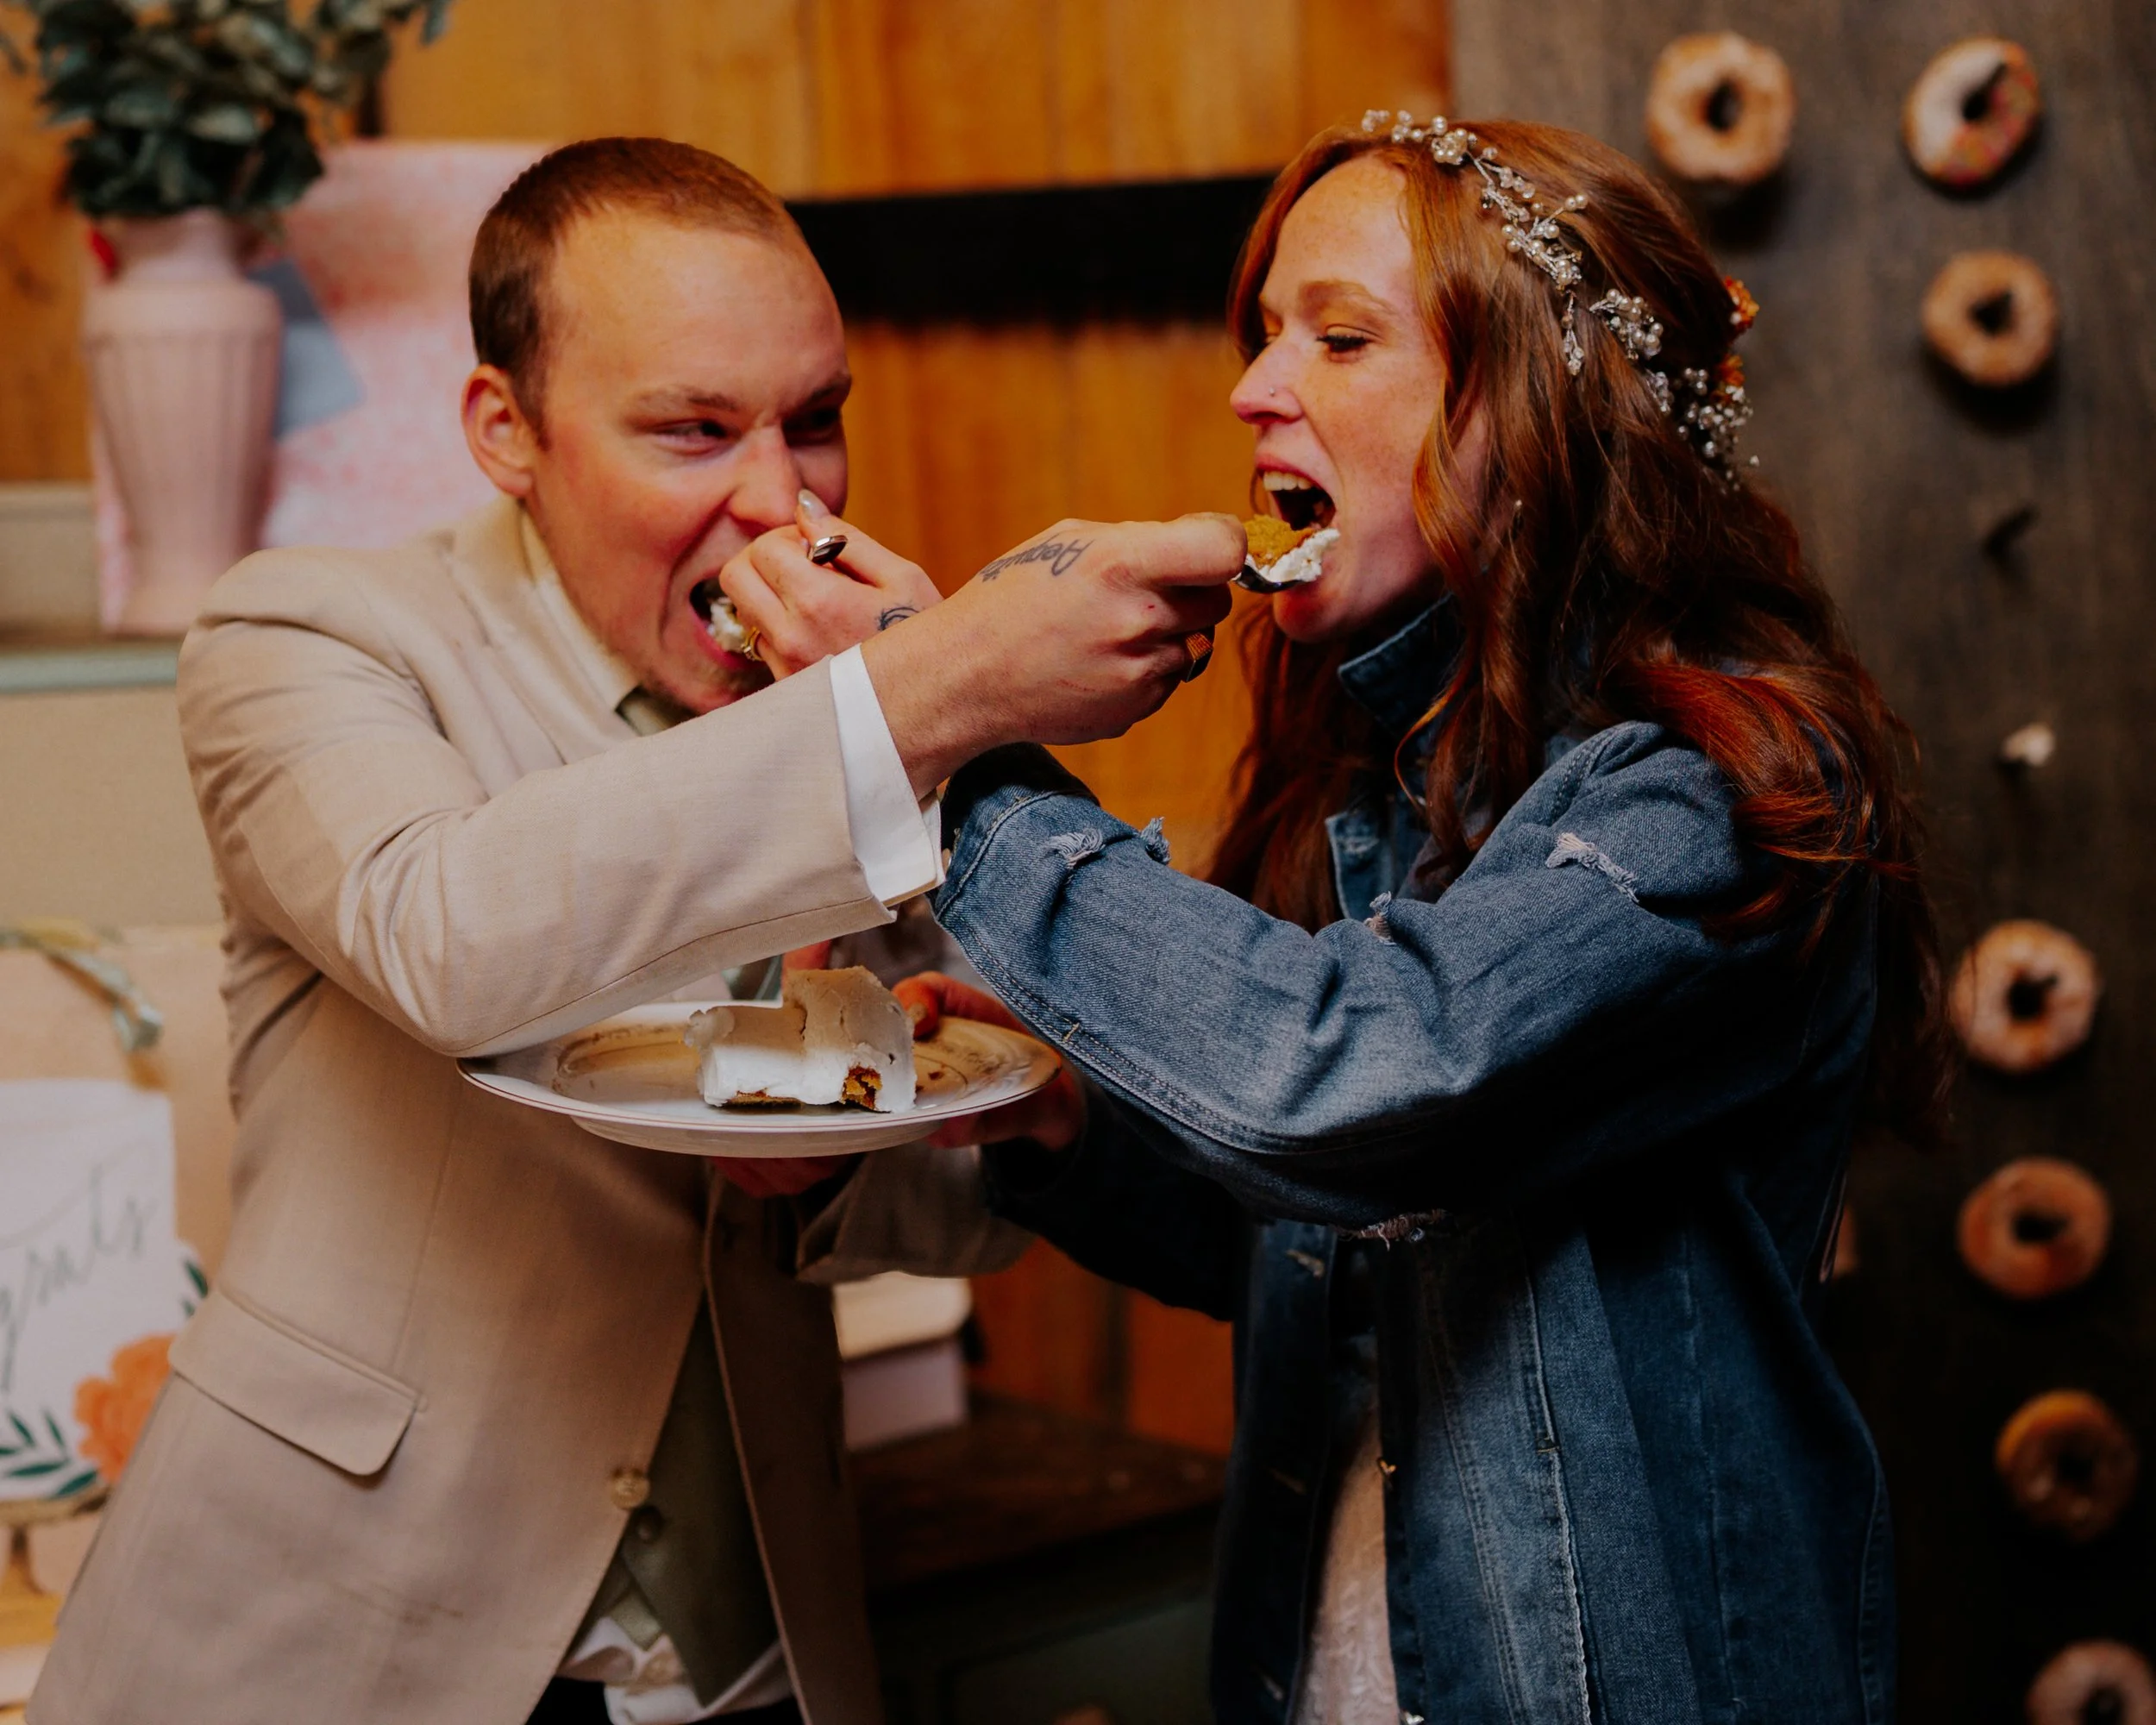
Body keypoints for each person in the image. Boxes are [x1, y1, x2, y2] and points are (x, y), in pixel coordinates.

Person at [736, 116, 1948, 1724]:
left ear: (1533, 406)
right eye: (1260, 332)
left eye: (1342, 335)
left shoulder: (1714, 791)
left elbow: (1365, 1079)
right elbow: (1314, 1242)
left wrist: (935, 734)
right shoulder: (1378, 783)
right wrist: (1067, 1120)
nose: (1251, 387)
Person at [30, 139, 1237, 1725]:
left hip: (753, 1653)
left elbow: (962, 1208)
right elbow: (446, 931)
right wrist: (930, 689)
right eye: (691, 430)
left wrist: (876, 1160)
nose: (778, 501)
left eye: (816, 422)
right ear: (504, 433)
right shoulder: (308, 632)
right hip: (326, 1641)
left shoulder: (853, 709)